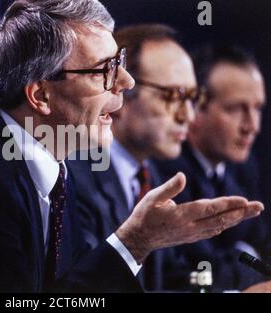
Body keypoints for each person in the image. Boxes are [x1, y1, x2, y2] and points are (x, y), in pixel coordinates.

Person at [0, 0, 262, 292]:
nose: (126, 82)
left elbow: (71, 290)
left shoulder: (55, 167)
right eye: (103, 70)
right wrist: (135, 241)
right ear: (41, 95)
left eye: (120, 64)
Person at [67, 24, 203, 291]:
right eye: (173, 96)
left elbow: (172, 278)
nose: (188, 115)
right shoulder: (73, 178)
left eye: (192, 97)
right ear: (121, 90)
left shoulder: (154, 175)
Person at [155, 45, 269, 291]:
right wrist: (246, 258)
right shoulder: (166, 173)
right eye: (235, 108)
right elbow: (192, 274)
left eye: (257, 108)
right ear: (194, 109)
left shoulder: (244, 166)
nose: (252, 126)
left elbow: (265, 247)